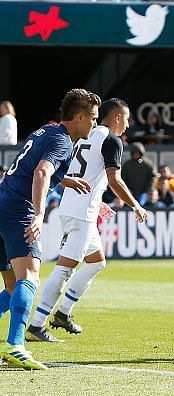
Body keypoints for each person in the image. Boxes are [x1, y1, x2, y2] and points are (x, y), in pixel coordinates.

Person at [25, 98, 149, 343]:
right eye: (126, 119)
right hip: (81, 212)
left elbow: (83, 172)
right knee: (65, 268)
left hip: (77, 205)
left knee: (96, 262)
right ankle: (36, 325)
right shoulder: (112, 140)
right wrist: (135, 205)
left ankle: (63, 312)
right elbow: (115, 179)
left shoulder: (84, 136)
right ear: (116, 118)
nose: (127, 124)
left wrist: (97, 201)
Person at [0, 88, 99, 369]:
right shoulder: (63, 141)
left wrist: (65, 180)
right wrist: (39, 213)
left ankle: (15, 342)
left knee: (11, 288)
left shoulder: (46, 131)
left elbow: (32, 167)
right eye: (92, 117)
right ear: (79, 117)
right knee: (29, 277)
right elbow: (41, 171)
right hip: (19, 208)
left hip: (3, 200)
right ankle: (16, 345)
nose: (94, 123)